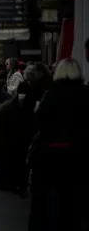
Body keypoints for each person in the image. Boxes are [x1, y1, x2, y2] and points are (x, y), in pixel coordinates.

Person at [28, 58, 89, 231]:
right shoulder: (85, 94)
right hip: (79, 155)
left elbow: (40, 122)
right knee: (76, 197)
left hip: (50, 154)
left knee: (50, 198)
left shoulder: (51, 93)